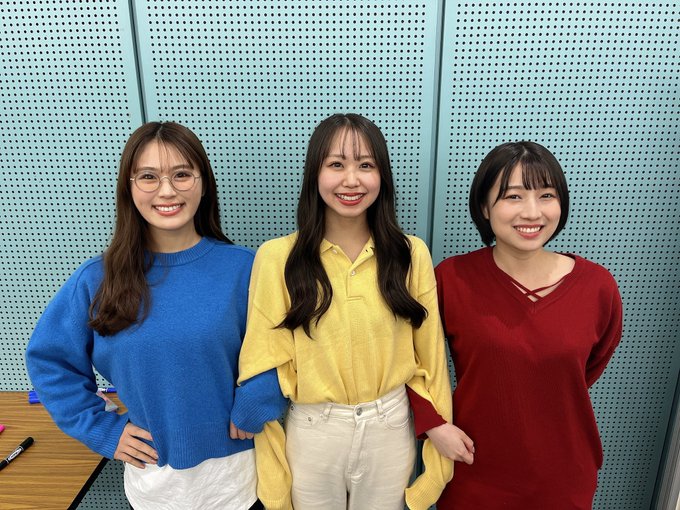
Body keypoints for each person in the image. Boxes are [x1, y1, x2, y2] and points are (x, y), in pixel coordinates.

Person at [25, 121, 285, 510]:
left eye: (182, 174)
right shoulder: (97, 280)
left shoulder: (247, 269)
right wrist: (101, 428)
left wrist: (259, 400)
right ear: (129, 187)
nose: (167, 190)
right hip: (152, 486)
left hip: (242, 480)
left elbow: (283, 347)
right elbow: (50, 362)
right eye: (148, 177)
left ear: (202, 183)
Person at [232, 113, 454, 510]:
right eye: (336, 164)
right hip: (314, 428)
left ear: (382, 176)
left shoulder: (410, 254)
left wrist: (438, 463)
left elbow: (432, 360)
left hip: (391, 425)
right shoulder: (277, 257)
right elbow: (261, 361)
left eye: (365, 165)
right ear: (315, 175)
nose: (351, 180)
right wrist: (275, 491)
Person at [408, 141, 623, 509]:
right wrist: (433, 424)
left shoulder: (597, 287)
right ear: (484, 206)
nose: (532, 211)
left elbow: (588, 366)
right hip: (472, 466)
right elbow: (408, 356)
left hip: (564, 476)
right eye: (513, 196)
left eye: (546, 195)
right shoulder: (451, 279)